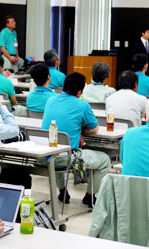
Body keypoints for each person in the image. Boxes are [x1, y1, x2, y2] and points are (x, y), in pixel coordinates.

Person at [42, 73, 111, 207]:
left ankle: (63, 192)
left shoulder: (50, 100)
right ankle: (89, 197)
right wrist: (79, 129)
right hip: (67, 159)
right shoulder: (82, 105)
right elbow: (94, 128)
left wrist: (75, 128)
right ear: (79, 92)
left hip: (45, 155)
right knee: (104, 160)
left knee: (55, 152)